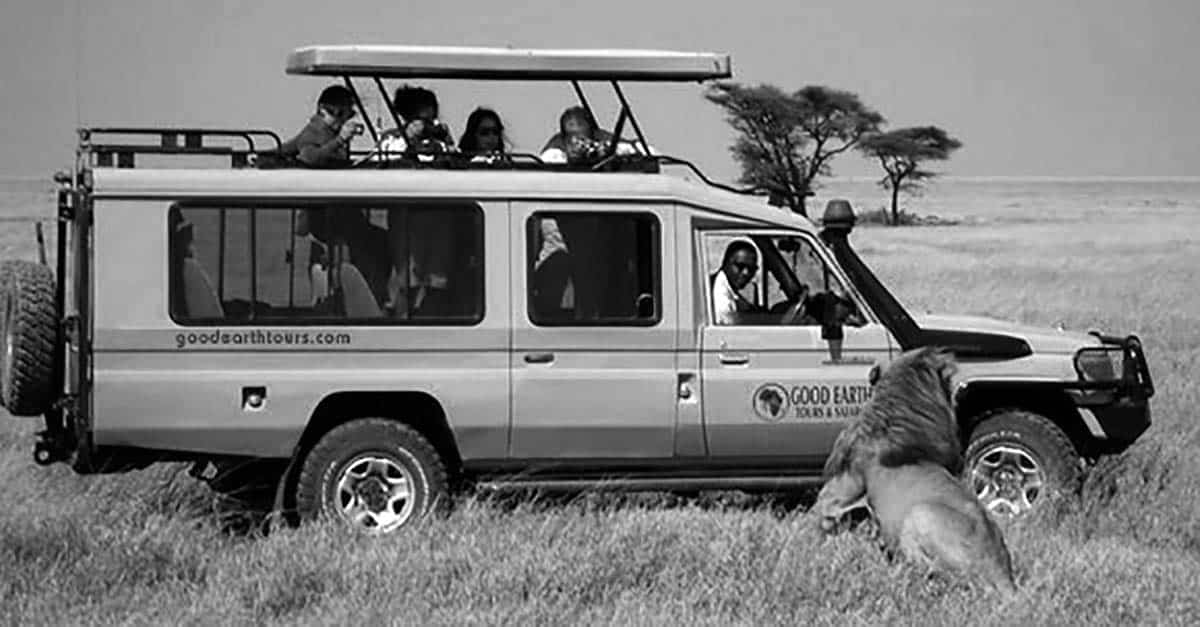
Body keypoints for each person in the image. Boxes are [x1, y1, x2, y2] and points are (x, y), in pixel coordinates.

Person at [265, 85, 364, 168]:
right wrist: (340, 140)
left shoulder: (332, 133)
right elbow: (310, 158)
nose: (342, 120)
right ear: (322, 110)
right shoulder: (314, 132)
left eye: (349, 115)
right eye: (338, 114)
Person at [379, 84, 456, 158]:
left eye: (432, 119)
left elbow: (459, 163)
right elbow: (378, 159)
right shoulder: (390, 138)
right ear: (408, 118)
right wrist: (408, 138)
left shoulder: (439, 142)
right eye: (424, 120)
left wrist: (447, 143)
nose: (429, 125)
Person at [711, 240, 766, 325]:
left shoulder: (729, 287)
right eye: (740, 266)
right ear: (725, 263)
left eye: (751, 269)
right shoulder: (721, 297)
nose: (746, 273)